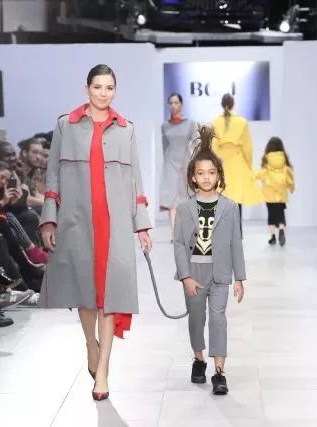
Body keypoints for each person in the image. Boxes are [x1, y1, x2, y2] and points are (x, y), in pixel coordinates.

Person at [40, 64, 152, 401]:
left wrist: (142, 224)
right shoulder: (66, 125)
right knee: (85, 292)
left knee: (110, 296)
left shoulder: (126, 129)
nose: (104, 93)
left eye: (109, 88)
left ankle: (102, 370)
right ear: (86, 88)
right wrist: (49, 218)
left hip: (114, 222)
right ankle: (91, 343)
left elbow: (136, 179)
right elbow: (52, 175)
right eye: (98, 87)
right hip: (77, 220)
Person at [173, 125, 245, 396]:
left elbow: (236, 242)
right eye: (201, 173)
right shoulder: (184, 208)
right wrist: (185, 276)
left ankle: (219, 372)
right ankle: (199, 359)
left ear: (219, 175)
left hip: (220, 273)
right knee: (196, 319)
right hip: (193, 272)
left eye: (211, 172)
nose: (206, 177)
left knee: (218, 319)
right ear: (193, 177)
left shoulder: (230, 207)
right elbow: (179, 244)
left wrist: (240, 278)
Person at [211, 94, 263, 234]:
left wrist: (214, 166)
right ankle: (237, 234)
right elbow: (247, 148)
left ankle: (224, 233)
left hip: (222, 164)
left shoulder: (216, 122)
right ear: (233, 105)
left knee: (222, 200)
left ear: (222, 105)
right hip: (238, 164)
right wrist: (249, 166)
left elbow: (213, 147)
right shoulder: (242, 122)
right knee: (237, 200)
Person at [159, 93, 197, 233]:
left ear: (181, 104)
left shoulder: (190, 124)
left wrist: (195, 164)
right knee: (172, 200)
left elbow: (196, 144)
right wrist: (167, 163)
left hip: (185, 164)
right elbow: (165, 147)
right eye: (171, 103)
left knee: (186, 199)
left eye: (176, 102)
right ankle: (175, 234)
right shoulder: (165, 126)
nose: (173, 105)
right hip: (170, 165)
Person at [255, 137, 295, 246]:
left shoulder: (266, 159)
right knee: (280, 214)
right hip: (281, 194)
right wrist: (291, 187)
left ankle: (273, 237)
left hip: (269, 194)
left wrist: (253, 176)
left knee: (271, 215)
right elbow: (289, 174)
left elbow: (261, 173)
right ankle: (281, 229)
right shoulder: (284, 159)